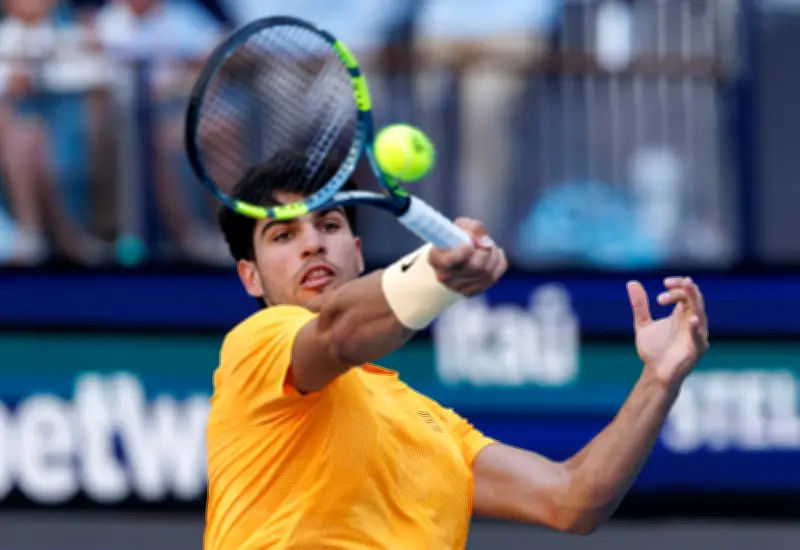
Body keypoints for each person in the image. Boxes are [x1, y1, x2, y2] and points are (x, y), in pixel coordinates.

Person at [204, 154, 709, 549]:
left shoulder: (437, 429)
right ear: (251, 275)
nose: (312, 244)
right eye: (284, 234)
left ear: (356, 252)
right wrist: (434, 273)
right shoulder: (256, 345)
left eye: (329, 225)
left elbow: (572, 499)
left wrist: (659, 379)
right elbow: (339, 332)